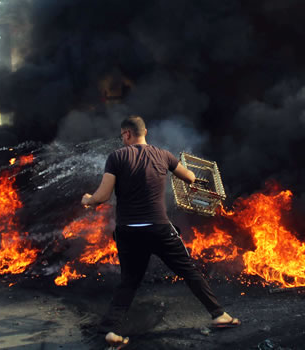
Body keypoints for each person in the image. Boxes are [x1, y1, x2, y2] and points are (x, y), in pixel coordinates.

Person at [81, 116, 240, 348]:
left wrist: (88, 200)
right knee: (189, 272)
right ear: (144, 132)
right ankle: (219, 315)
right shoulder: (163, 155)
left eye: (122, 136)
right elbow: (190, 177)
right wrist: (188, 176)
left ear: (126, 134)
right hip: (159, 229)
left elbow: (103, 196)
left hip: (129, 232)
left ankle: (110, 331)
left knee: (129, 282)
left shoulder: (116, 157)